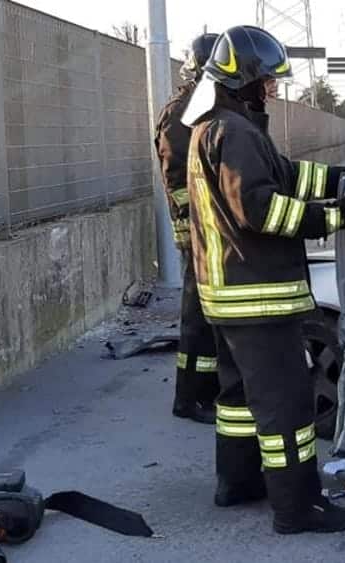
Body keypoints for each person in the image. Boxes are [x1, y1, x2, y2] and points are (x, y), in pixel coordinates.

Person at [180, 25, 345, 534]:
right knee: (286, 406)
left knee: (239, 399)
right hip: (259, 298)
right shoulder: (236, 133)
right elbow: (259, 208)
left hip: (226, 296)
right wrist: (332, 218)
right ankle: (297, 507)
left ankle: (236, 482)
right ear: (247, 80)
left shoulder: (212, 128)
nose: (275, 90)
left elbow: (282, 174)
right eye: (270, 81)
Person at [153, 32, 220, 425]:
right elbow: (178, 174)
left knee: (207, 314)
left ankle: (205, 390)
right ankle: (190, 397)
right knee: (196, 316)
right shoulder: (184, 111)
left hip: (206, 228)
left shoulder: (202, 106)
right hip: (195, 229)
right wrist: (194, 221)